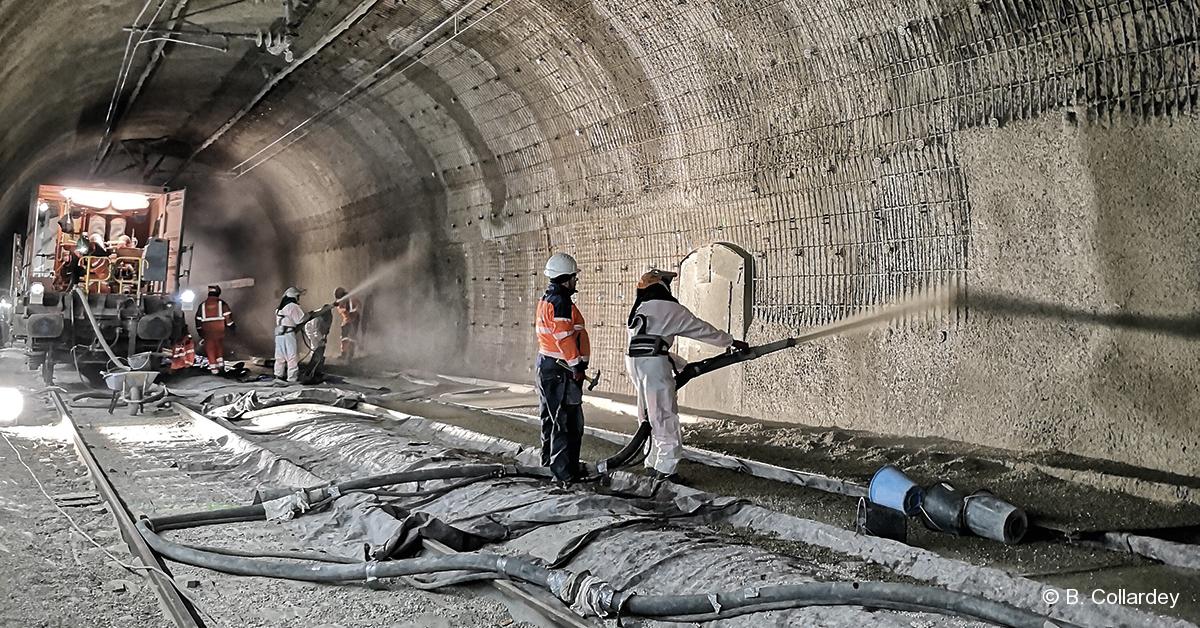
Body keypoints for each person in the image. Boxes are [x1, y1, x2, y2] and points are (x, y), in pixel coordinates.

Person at [624, 268, 749, 482]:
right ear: (660, 285)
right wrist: (731, 342)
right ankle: (666, 470)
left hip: (636, 363)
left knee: (647, 415)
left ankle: (652, 462)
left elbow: (651, 343)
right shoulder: (668, 307)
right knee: (663, 414)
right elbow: (700, 329)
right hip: (654, 363)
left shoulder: (639, 309)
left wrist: (680, 365)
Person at [534, 252, 590, 483]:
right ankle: (564, 473)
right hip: (561, 370)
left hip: (548, 366)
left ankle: (549, 463)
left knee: (551, 417)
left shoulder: (548, 298)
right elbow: (564, 337)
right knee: (566, 422)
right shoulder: (561, 302)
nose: (576, 281)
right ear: (566, 278)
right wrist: (576, 365)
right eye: (574, 277)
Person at [195, 285, 235, 374]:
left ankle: (214, 370)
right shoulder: (222, 303)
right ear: (218, 293)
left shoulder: (202, 305)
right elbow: (228, 316)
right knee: (219, 346)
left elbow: (198, 319)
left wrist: (200, 331)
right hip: (219, 330)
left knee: (210, 349)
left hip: (207, 331)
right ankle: (221, 366)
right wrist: (231, 327)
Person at [273, 287, 306, 383]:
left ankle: (278, 376)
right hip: (288, 335)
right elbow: (300, 319)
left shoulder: (279, 308)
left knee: (280, 357)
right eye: (298, 296)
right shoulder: (292, 306)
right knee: (292, 357)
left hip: (279, 335)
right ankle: (292, 379)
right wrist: (308, 316)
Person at [333, 287, 361, 363]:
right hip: (347, 321)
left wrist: (353, 315)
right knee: (344, 338)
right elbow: (342, 310)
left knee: (352, 338)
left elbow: (357, 307)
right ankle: (344, 354)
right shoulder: (341, 302)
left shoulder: (351, 299)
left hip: (353, 320)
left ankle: (350, 355)